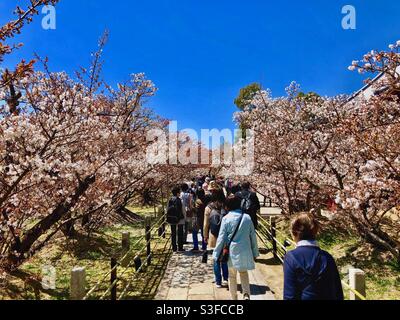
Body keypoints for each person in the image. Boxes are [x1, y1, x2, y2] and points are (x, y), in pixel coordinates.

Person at [283, 213, 344, 300]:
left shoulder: (291, 257)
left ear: (294, 233)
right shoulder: (327, 257)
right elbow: (337, 292)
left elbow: (289, 295)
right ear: (315, 232)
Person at [214, 195, 259, 300]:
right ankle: (246, 294)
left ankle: (234, 297)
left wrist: (216, 254)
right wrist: (255, 252)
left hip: (232, 251)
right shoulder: (247, 217)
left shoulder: (226, 219)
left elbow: (221, 238)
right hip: (245, 250)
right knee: (244, 273)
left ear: (227, 206)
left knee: (232, 275)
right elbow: (253, 236)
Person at [203, 182, 228, 288]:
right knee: (225, 257)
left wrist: (205, 236)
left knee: (216, 258)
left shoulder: (208, 207)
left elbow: (206, 224)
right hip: (225, 235)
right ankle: (226, 278)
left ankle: (218, 281)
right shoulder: (226, 206)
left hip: (213, 236)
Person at [166, 186, 185, 252]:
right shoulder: (180, 200)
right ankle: (180, 247)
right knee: (180, 233)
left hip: (172, 218)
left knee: (173, 233)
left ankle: (174, 248)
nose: (180, 193)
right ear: (177, 193)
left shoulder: (170, 200)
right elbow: (183, 210)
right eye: (179, 192)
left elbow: (167, 209)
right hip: (180, 219)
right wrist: (184, 218)